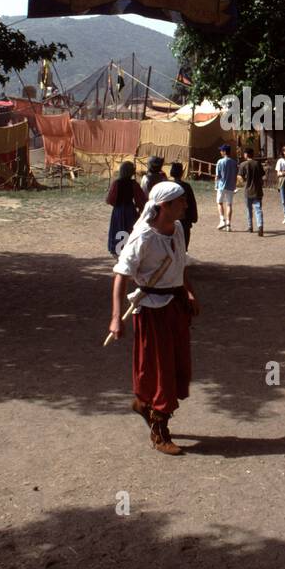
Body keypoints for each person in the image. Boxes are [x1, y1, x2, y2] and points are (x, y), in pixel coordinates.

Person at [109, 180, 200, 456]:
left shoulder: (179, 229)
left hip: (175, 304)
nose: (186, 204)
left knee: (176, 364)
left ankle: (142, 402)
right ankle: (160, 432)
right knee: (160, 368)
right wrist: (116, 318)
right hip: (151, 309)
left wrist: (189, 292)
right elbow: (120, 276)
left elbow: (180, 263)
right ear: (164, 206)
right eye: (181, 201)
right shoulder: (143, 238)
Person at [106, 161, 145, 256]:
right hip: (130, 210)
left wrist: (117, 205)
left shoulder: (116, 183)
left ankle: (116, 249)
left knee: (118, 229)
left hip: (118, 210)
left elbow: (110, 200)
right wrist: (139, 209)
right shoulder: (133, 184)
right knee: (129, 229)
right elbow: (140, 199)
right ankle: (130, 249)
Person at [169, 161, 198, 250]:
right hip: (184, 220)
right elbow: (192, 203)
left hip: (171, 219)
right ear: (182, 173)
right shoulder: (186, 186)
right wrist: (193, 217)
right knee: (183, 244)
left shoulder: (168, 186)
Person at [238, 146, 266, 235]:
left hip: (248, 190)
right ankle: (260, 226)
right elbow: (262, 176)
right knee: (258, 209)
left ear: (246, 154)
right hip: (257, 190)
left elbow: (240, 177)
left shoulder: (243, 165)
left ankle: (250, 227)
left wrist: (243, 183)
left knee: (249, 209)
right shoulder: (257, 164)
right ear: (253, 154)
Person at [215, 143, 238, 231]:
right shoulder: (234, 162)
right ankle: (228, 224)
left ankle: (222, 220)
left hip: (221, 186)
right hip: (231, 186)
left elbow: (218, 176)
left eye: (221, 150)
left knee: (219, 203)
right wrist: (234, 185)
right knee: (229, 204)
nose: (220, 152)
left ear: (224, 152)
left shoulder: (220, 162)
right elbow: (235, 175)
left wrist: (216, 185)